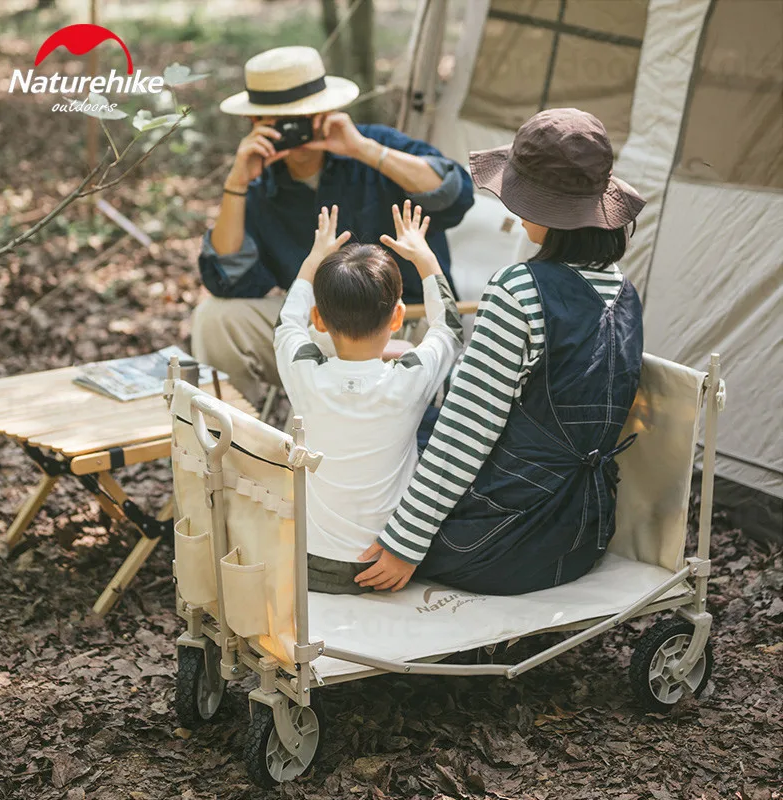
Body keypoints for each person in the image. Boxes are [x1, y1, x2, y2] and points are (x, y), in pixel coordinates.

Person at [354, 108, 647, 595]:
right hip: (581, 534)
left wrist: (405, 543)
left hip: (498, 542)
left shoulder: (519, 289)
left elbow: (466, 431)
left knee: (383, 445)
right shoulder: (625, 292)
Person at [192, 45, 473, 404]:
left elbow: (456, 195)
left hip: (401, 325)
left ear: (326, 110)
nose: (295, 131)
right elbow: (228, 280)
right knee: (213, 317)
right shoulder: (260, 186)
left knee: (341, 334)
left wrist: (364, 150)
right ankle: (236, 447)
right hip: (317, 328)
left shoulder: (374, 146)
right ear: (255, 124)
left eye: (303, 117)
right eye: (280, 121)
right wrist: (236, 184)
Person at [274, 202, 463, 594]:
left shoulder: (304, 373)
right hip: (387, 560)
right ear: (397, 319)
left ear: (320, 321)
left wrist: (313, 259)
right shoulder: (409, 381)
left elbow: (287, 321)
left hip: (307, 563)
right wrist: (425, 257)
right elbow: (448, 328)